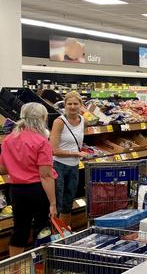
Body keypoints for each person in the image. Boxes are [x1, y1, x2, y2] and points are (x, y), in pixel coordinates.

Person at [0, 103, 58, 256]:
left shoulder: (8, 139)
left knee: (20, 229)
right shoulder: (42, 141)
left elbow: (3, 169)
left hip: (16, 191)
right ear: (43, 118)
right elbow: (45, 175)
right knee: (42, 227)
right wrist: (53, 203)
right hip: (37, 190)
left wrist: (17, 166)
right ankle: (42, 266)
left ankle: (15, 269)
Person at [49, 91, 86, 226]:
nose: (72, 106)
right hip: (58, 165)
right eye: (69, 104)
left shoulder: (82, 120)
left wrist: (80, 152)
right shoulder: (59, 122)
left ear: (81, 105)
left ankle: (65, 231)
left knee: (68, 201)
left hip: (74, 166)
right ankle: (54, 233)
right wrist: (76, 154)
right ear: (64, 105)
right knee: (57, 202)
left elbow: (78, 143)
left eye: (75, 103)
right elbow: (53, 150)